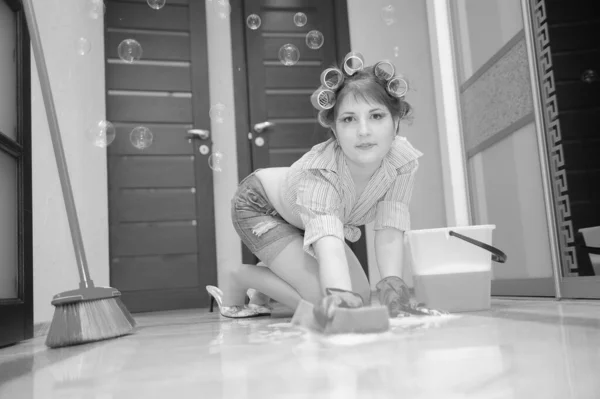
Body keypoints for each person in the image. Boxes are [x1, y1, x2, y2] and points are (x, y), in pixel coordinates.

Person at [206, 53, 445, 325]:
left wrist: (395, 293)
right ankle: (239, 276)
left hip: (303, 218)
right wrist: (341, 303)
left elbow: (390, 227)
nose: (363, 131)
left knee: (363, 296)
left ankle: (273, 272)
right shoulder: (321, 172)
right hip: (260, 207)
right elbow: (329, 245)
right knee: (325, 302)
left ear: (396, 121)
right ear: (334, 127)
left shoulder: (402, 162)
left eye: (376, 116)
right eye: (348, 119)